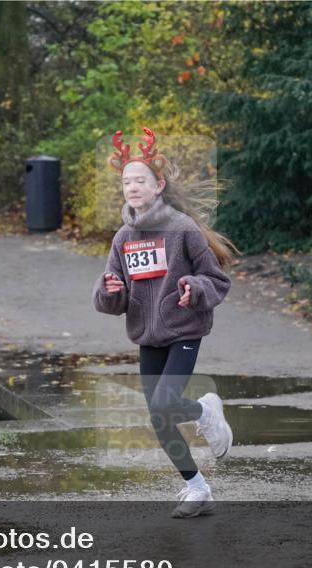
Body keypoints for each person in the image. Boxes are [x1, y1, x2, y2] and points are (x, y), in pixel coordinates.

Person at [93, 127, 237, 519]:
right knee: (159, 418)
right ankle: (197, 488)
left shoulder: (182, 229)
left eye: (140, 180)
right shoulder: (123, 237)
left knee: (165, 403)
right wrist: (110, 289)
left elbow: (216, 280)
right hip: (147, 334)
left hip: (184, 329)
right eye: (126, 181)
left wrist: (193, 287)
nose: (132, 186)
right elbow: (111, 299)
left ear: (158, 186)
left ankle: (207, 411)